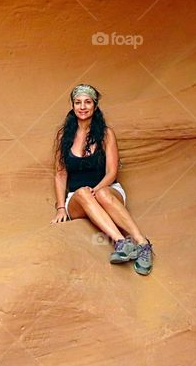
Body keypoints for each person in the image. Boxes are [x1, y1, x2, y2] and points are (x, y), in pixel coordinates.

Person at [51, 83, 153, 275]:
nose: (82, 107)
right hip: (78, 198)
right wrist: (60, 208)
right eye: (78, 102)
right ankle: (122, 242)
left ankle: (142, 243)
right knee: (82, 192)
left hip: (107, 188)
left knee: (103, 194)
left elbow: (112, 171)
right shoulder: (65, 136)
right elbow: (60, 173)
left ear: (95, 106)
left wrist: (97, 189)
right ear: (72, 106)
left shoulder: (106, 134)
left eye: (87, 102)